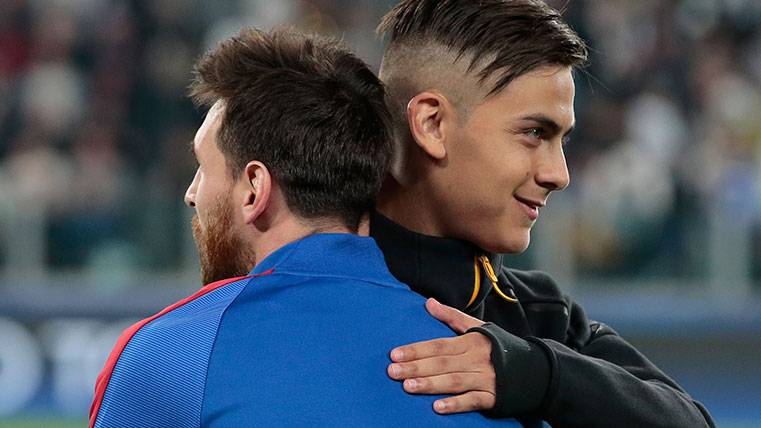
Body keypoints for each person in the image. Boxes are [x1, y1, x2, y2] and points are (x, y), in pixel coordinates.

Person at [88, 28, 520, 428]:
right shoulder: (488, 370)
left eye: (203, 167)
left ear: (254, 188)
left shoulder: (169, 357)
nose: (191, 192)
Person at [371, 1, 715, 427]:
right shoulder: (293, 276)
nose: (560, 175)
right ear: (432, 124)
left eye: (562, 141)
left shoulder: (541, 315)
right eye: (534, 133)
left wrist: (539, 374)